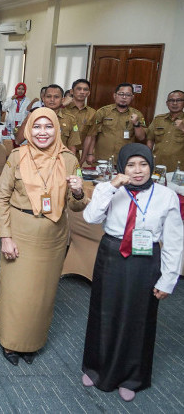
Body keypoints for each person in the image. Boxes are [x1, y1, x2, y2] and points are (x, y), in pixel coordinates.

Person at [81, 143, 183, 402]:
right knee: (104, 311)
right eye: (131, 165)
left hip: (146, 258)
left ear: (151, 165)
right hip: (112, 253)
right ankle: (96, 368)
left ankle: (132, 377)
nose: (138, 171)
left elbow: (174, 241)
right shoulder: (110, 189)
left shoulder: (166, 195)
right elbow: (91, 218)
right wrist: (111, 186)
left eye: (143, 164)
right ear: (121, 167)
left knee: (139, 317)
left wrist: (168, 278)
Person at [0, 108, 87, 365]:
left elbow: (77, 206)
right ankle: (11, 343)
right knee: (17, 292)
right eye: (37, 127)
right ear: (28, 129)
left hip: (54, 238)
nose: (42, 132)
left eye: (48, 127)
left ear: (56, 129)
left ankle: (33, 342)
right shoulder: (16, 156)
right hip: (21, 233)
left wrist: (79, 193)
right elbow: (1, 198)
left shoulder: (69, 160)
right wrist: (5, 237)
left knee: (43, 294)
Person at [88, 83, 146, 163]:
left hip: (124, 159)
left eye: (128, 95)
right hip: (102, 158)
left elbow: (141, 137)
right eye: (121, 94)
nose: (124, 97)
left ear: (132, 97)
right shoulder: (103, 112)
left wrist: (136, 123)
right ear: (115, 95)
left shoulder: (137, 114)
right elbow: (93, 134)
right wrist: (90, 154)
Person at [16, 84, 80, 154]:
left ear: (62, 100)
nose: (52, 100)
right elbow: (18, 140)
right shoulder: (34, 115)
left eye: (56, 97)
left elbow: (72, 148)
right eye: (48, 96)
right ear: (43, 98)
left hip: (59, 161)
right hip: (36, 160)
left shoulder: (70, 119)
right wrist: (28, 119)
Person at [146, 90, 184, 171]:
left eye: (179, 100)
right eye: (171, 100)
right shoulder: (158, 119)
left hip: (178, 169)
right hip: (156, 165)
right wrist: (147, 157)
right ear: (167, 103)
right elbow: (150, 139)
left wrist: (182, 128)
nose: (174, 103)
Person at [62, 79, 96, 162]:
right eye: (79, 89)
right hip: (58, 152)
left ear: (88, 93)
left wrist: (82, 159)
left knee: (75, 174)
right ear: (72, 91)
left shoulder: (92, 113)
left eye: (85, 90)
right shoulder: (63, 108)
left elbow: (89, 137)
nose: (82, 92)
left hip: (76, 154)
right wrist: (62, 105)